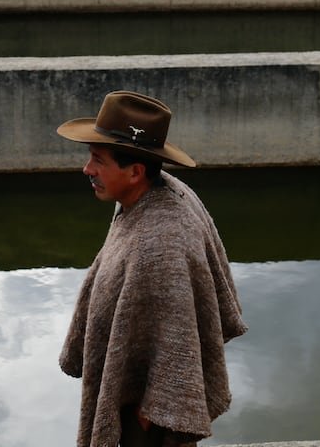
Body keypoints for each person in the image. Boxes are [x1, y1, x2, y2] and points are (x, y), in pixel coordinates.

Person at [57, 90, 247, 447]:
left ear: (135, 171)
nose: (87, 170)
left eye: (98, 160)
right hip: (145, 402)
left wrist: (154, 410)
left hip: (152, 420)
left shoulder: (159, 243)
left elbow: (175, 334)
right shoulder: (157, 191)